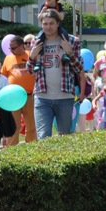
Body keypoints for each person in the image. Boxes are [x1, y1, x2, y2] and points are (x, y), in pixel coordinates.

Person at [26, 9, 83, 139]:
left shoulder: (71, 41)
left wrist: (70, 53)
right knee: (43, 137)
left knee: (65, 137)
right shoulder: (36, 42)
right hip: (42, 97)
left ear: (57, 24)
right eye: (45, 24)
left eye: (51, 23)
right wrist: (32, 56)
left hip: (65, 97)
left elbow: (79, 68)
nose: (48, 27)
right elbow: (30, 70)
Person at [0, 35, 36, 146]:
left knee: (31, 126)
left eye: (13, 48)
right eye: (10, 48)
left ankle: (31, 148)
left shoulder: (31, 56)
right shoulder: (8, 59)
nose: (11, 50)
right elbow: (3, 76)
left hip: (29, 96)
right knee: (14, 126)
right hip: (13, 98)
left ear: (21, 46)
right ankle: (12, 150)